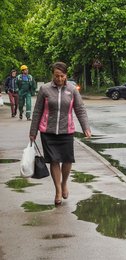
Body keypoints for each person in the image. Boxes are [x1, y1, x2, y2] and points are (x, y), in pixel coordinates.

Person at [29, 62, 91, 206]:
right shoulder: (44, 89)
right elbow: (37, 111)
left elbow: (80, 109)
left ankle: (64, 183)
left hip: (66, 130)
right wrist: (33, 131)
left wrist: (85, 127)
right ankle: (57, 190)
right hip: (48, 131)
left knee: (67, 160)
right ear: (53, 75)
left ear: (66, 75)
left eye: (62, 76)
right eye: (57, 76)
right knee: (54, 160)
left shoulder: (72, 90)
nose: (59, 79)